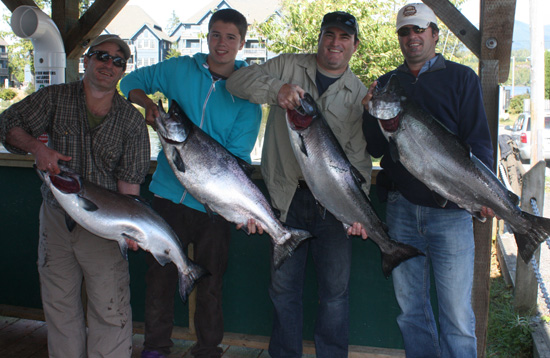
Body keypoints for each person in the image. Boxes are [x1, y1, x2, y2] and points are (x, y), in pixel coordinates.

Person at [226, 11, 370, 358]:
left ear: (354, 45)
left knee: (335, 293)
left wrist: (359, 209)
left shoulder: (358, 92)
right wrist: (278, 90)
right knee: (283, 290)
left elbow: (358, 158)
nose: (335, 43)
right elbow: (236, 82)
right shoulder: (287, 65)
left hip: (335, 207)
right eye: (329, 35)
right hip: (285, 198)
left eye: (344, 38)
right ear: (319, 37)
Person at [120, 8, 262, 358]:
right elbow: (128, 83)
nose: (222, 43)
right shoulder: (179, 68)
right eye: (216, 35)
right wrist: (149, 107)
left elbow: (237, 162)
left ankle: (208, 350)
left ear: (242, 42)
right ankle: (155, 349)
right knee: (160, 279)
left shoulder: (249, 98)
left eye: (230, 37)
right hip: (168, 198)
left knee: (212, 285)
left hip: (215, 208)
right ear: (207, 36)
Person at [0, 34, 150, 358]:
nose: (108, 64)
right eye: (101, 56)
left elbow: (130, 189)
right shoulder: (53, 98)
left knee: (110, 311)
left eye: (117, 60)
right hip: (55, 218)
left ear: (124, 70)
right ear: (86, 60)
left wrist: (130, 230)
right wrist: (37, 148)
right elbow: (8, 123)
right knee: (59, 307)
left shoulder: (133, 123)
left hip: (104, 227)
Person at [362, 3, 494, 357]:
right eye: (404, 32)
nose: (412, 37)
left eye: (419, 29)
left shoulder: (462, 78)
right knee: (411, 312)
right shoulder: (387, 84)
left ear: (435, 34)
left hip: (452, 213)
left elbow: (479, 143)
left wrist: (485, 194)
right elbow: (375, 149)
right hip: (400, 212)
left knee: (457, 316)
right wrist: (369, 114)